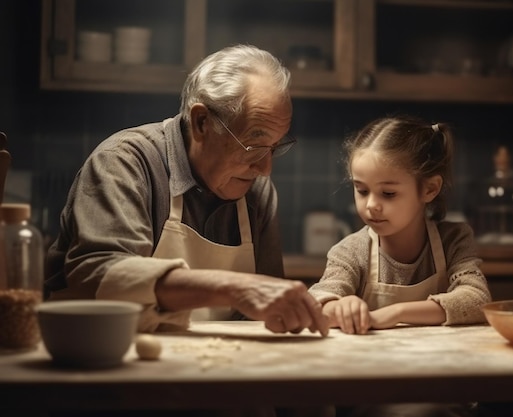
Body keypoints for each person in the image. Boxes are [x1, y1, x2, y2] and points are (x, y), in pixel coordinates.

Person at [44, 44, 328, 339]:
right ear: (201, 122)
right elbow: (97, 276)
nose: (265, 169)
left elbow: (265, 307)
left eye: (274, 147)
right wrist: (233, 287)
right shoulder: (125, 163)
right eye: (253, 146)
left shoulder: (257, 191)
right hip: (100, 356)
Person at [308, 114, 490, 417]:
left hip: (441, 389)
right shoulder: (351, 251)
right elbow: (318, 300)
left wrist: (395, 314)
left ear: (429, 189)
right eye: (361, 190)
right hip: (370, 394)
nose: (371, 205)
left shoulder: (454, 239)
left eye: (388, 193)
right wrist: (336, 306)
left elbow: (476, 298)